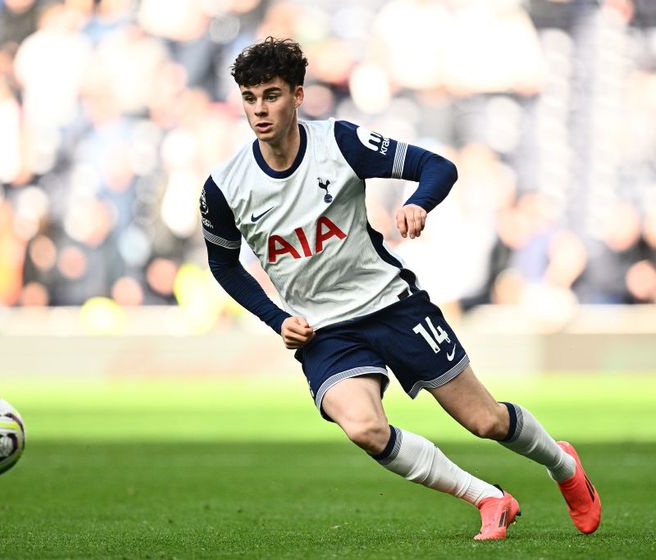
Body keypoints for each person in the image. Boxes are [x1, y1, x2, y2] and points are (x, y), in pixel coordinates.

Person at [199, 37, 601, 540]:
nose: (260, 110)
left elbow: (439, 167)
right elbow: (224, 264)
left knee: (487, 422)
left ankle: (563, 466)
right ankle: (488, 497)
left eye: (272, 95)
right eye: (250, 97)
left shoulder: (338, 143)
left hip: (391, 305)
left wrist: (419, 203)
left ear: (298, 96)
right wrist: (277, 318)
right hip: (323, 331)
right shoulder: (224, 186)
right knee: (365, 428)